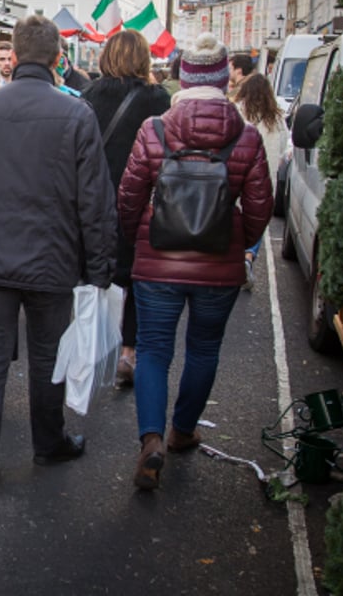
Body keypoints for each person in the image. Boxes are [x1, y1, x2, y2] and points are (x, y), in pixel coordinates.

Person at [0, 14, 117, 497]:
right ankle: (48, 442)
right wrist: (100, 268)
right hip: (52, 260)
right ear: (58, 59)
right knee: (46, 357)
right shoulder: (76, 115)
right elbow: (95, 202)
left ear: (12, 58)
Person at [117, 31, 272, 491]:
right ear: (226, 81)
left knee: (153, 350)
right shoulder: (244, 137)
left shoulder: (155, 129)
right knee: (203, 350)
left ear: (183, 78)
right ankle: (182, 431)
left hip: (157, 264)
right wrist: (240, 243)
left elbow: (129, 197)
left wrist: (138, 238)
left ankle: (150, 442)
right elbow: (261, 206)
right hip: (218, 268)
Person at [79, 30, 171, 387]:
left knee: (91, 273)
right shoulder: (157, 99)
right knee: (134, 277)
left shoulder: (86, 96)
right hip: (138, 200)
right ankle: (127, 353)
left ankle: (90, 343)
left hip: (91, 201)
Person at [234, 72, 286, 290]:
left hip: (238, 174)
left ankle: (234, 258)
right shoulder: (278, 120)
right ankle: (248, 257)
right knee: (256, 220)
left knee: (235, 219)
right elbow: (283, 150)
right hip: (265, 180)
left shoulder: (236, 112)